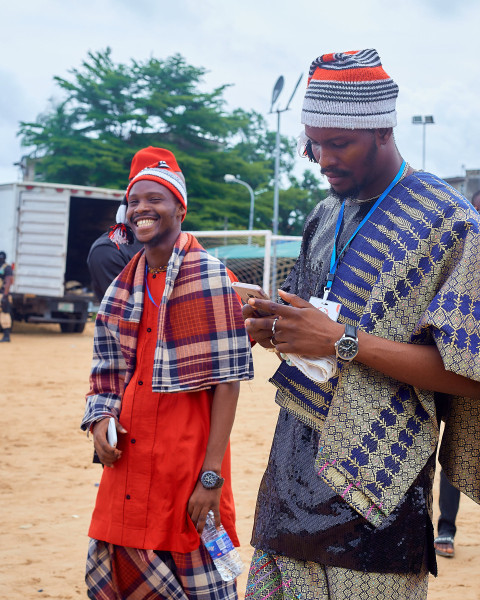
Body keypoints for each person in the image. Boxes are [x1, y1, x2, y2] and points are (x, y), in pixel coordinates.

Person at [243, 49, 480, 600]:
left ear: (381, 130)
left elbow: (470, 373)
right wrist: (273, 326)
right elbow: (311, 339)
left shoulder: (452, 227)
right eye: (313, 143)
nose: (321, 158)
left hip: (378, 499)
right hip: (288, 484)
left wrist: (344, 341)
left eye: (337, 143)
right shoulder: (324, 216)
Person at [80, 148, 254, 600]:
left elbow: (227, 383)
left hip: (189, 470)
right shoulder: (122, 289)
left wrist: (210, 479)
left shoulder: (212, 278)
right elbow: (108, 373)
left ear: (180, 207)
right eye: (134, 200)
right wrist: (100, 419)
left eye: (155, 198)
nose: (142, 209)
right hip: (129, 467)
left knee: (211, 575)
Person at [0, 251, 13, 343]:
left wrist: (5, 295)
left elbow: (8, 281)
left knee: (4, 315)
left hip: (2, 294)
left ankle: (7, 335)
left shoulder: (7, 268)